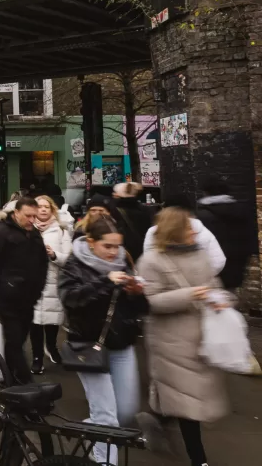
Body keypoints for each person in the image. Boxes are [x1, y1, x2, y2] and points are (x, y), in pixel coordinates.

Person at [137, 207, 229, 466]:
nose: (193, 232)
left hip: (200, 335)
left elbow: (214, 286)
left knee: (186, 395)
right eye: (188, 228)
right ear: (176, 231)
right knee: (188, 403)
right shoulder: (152, 261)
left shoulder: (200, 255)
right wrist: (191, 295)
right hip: (170, 339)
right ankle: (199, 460)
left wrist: (221, 300)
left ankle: (158, 418)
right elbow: (151, 300)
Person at [57, 216, 146, 466]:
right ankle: (104, 461)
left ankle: (90, 431)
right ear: (92, 242)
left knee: (126, 411)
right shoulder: (75, 265)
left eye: (117, 246)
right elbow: (71, 299)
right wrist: (106, 282)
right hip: (88, 347)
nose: (113, 252)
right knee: (107, 418)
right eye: (107, 246)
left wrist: (137, 295)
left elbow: (140, 309)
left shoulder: (123, 262)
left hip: (122, 345)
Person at [0, 196, 47, 385]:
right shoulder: (0, 233)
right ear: (16, 213)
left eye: (34, 216)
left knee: (18, 339)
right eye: (28, 216)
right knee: (15, 340)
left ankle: (9, 377)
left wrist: (39, 288)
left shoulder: (34, 234)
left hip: (29, 296)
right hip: (6, 296)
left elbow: (42, 264)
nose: (32, 220)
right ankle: (27, 384)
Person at [30, 196, 73, 374]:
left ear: (52, 209)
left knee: (52, 320)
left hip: (53, 282)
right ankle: (37, 357)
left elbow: (69, 259)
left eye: (47, 207)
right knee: (35, 322)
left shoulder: (61, 230)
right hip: (31, 283)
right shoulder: (27, 228)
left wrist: (53, 254)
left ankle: (52, 347)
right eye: (39, 207)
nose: (43, 210)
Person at [195, 177, 256, 290]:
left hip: (212, 266)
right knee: (228, 296)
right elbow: (250, 238)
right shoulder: (242, 211)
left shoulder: (202, 215)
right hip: (237, 263)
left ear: (206, 192)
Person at [110, 182, 153, 262]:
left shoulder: (115, 211)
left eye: (115, 192)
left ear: (119, 195)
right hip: (142, 251)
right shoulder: (146, 210)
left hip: (123, 252)